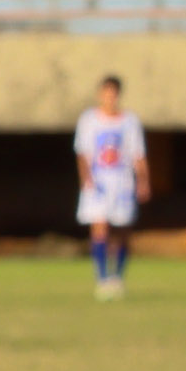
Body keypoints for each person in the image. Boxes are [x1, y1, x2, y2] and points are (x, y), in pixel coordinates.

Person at [71, 75, 144, 297]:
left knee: (122, 231)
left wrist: (143, 180)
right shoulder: (89, 120)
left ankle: (118, 277)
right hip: (99, 181)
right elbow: (82, 152)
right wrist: (86, 178)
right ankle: (102, 278)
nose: (109, 98)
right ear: (100, 94)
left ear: (118, 95)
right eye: (106, 93)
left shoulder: (130, 121)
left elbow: (138, 154)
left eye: (113, 94)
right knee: (99, 227)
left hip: (122, 182)